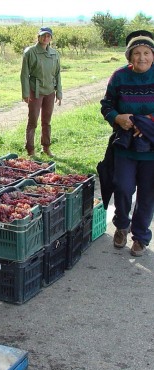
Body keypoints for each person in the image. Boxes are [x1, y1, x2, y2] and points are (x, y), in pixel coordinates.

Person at [100, 29, 154, 257]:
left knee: (148, 194)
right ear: (129, 56)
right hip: (125, 145)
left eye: (146, 53)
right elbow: (107, 104)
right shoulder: (119, 76)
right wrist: (117, 118)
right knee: (122, 187)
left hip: (151, 148)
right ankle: (122, 224)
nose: (141, 57)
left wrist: (148, 122)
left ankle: (140, 236)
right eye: (136, 53)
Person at [20, 27, 62, 157]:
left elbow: (58, 74)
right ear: (38, 37)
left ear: (51, 38)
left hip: (50, 91)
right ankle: (30, 150)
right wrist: (26, 93)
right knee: (33, 121)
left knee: (46, 121)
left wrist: (59, 92)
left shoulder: (55, 54)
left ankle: (46, 147)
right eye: (43, 36)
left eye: (48, 36)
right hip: (35, 91)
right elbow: (24, 74)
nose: (45, 38)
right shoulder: (30, 52)